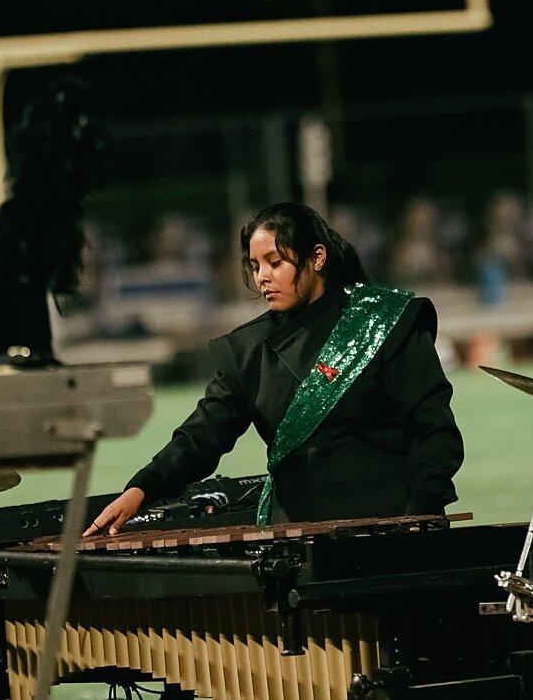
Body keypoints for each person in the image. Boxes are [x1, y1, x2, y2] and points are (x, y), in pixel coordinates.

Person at [88, 203, 464, 533]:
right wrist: (141, 489)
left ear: (318, 258)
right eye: (254, 266)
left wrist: (423, 511)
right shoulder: (248, 351)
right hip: (297, 534)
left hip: (393, 524)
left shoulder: (385, 323)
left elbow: (434, 431)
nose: (262, 277)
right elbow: (201, 436)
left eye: (275, 262)